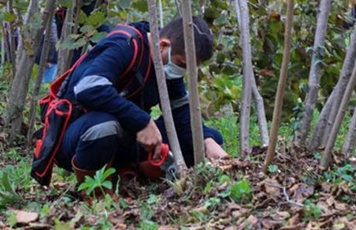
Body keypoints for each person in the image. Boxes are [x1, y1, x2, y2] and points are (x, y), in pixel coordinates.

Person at [54, 16, 228, 188]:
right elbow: (88, 89)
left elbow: (181, 111)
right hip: (80, 134)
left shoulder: (167, 65)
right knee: (104, 126)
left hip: (126, 134)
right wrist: (142, 121)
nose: (182, 70)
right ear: (163, 46)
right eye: (182, 64)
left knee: (204, 139)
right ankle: (94, 190)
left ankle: (128, 174)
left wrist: (206, 141)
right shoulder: (124, 45)